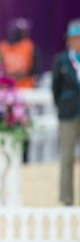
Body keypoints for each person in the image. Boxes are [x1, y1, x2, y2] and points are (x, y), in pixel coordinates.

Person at [51, 20, 80, 206]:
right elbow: (55, 88)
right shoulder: (61, 60)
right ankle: (67, 198)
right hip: (68, 113)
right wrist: (62, 106)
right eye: (74, 39)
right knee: (67, 157)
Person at [0, 17, 40, 88]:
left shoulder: (30, 46)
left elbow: (36, 69)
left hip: (26, 86)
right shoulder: (2, 47)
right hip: (7, 88)